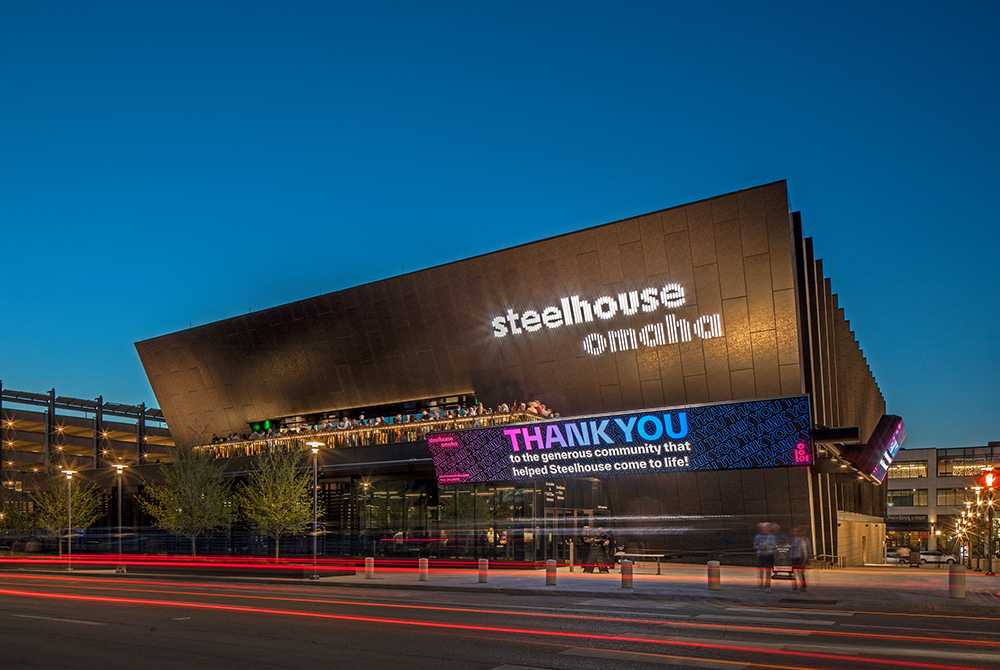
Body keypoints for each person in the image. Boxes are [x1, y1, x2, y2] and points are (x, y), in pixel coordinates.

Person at [754, 522, 776, 593]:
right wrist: (759, 547)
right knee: (761, 571)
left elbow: (774, 545)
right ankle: (761, 585)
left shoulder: (772, 536)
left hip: (769, 554)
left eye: (766, 527)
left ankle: (767, 587)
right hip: (761, 554)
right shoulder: (758, 536)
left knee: (768, 571)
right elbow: (755, 545)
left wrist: (768, 547)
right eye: (763, 528)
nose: (764, 529)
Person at [790, 526, 810, 592]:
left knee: (800, 574)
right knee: (793, 574)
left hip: (799, 558)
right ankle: (794, 587)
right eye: (794, 531)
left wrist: (804, 560)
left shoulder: (801, 541)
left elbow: (804, 551)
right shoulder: (792, 540)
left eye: (796, 531)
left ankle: (803, 587)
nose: (795, 533)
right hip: (793, 559)